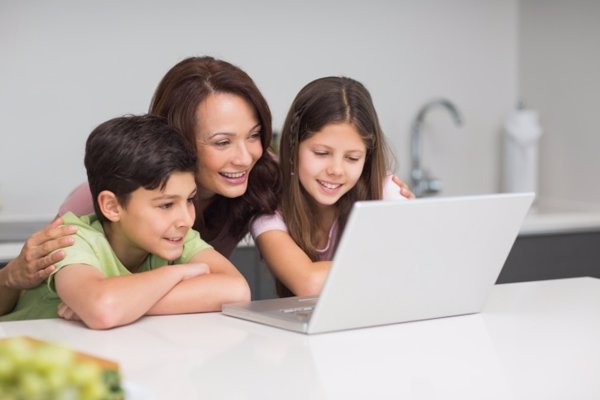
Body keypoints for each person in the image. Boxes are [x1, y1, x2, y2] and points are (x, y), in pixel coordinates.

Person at [0, 56, 282, 315]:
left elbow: (234, 289)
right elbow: (100, 305)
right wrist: (179, 275)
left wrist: (129, 300)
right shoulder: (86, 219)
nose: (246, 157)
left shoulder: (260, 175)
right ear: (178, 140)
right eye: (222, 142)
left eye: (254, 135)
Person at [0, 115, 250, 329]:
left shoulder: (174, 235)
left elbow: (236, 290)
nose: (185, 219)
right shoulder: (71, 238)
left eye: (189, 199)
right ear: (112, 206)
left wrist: (131, 305)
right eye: (165, 205)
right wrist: (177, 273)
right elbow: (104, 309)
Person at [250, 76, 412, 298]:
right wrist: (386, 261)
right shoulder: (268, 205)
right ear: (293, 145)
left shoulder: (384, 193)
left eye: (352, 158)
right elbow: (308, 283)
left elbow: (420, 268)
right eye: (321, 153)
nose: (336, 170)